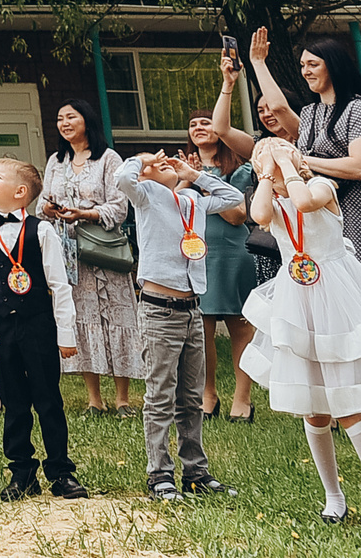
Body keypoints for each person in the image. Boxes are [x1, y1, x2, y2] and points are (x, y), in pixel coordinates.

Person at [240, 137, 361, 533]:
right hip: (297, 302)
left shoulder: (322, 186)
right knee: (313, 406)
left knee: (347, 400)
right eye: (263, 164)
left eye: (279, 160)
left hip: (335, 295)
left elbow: (304, 202)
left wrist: (287, 163)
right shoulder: (277, 200)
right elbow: (260, 212)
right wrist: (268, 173)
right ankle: (333, 496)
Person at [116, 145, 243, 500]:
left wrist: (194, 175)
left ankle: (196, 472)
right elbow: (121, 178)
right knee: (160, 395)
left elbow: (232, 197)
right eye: (157, 163)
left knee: (191, 396)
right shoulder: (145, 196)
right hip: (159, 309)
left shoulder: (193, 201)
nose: (164, 162)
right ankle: (159, 474)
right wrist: (142, 161)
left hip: (191, 309)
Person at [0, 158, 86, 502]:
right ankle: (21, 471)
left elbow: (59, 285)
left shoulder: (42, 230)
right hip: (1, 328)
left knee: (48, 399)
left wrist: (66, 334)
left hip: (38, 326)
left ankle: (61, 471)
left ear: (19, 193)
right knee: (14, 401)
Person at [247, 28, 361, 288]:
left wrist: (299, 160)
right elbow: (278, 108)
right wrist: (258, 63)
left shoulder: (359, 108)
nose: (306, 71)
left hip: (358, 212)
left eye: (313, 64)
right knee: (334, 294)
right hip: (320, 214)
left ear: (333, 66)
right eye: (302, 65)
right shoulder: (311, 112)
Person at [39, 99, 140, 414]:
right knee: (81, 319)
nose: (65, 123)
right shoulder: (56, 161)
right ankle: (94, 399)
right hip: (69, 253)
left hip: (103, 248)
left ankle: (123, 399)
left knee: (117, 318)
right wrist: (49, 208)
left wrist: (84, 213)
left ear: (87, 120)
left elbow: (120, 206)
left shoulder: (109, 159)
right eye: (60, 118)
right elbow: (41, 203)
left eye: (71, 116)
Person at [191, 87, 267, 423]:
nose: (199, 128)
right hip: (196, 255)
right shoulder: (181, 168)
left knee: (240, 327)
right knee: (201, 329)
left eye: (206, 122)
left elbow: (237, 214)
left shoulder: (239, 167)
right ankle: (208, 395)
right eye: (193, 124)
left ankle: (243, 398)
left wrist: (202, 181)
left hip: (232, 253)